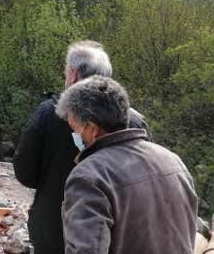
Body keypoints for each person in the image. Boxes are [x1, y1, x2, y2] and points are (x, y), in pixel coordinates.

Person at [12, 41, 149, 254]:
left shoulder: (51, 112)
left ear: (73, 74)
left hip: (54, 231)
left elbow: (25, 173)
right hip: (115, 235)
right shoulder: (135, 122)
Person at [56, 76, 197, 254]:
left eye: (74, 128)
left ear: (92, 128)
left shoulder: (89, 177)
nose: (75, 135)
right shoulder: (173, 161)